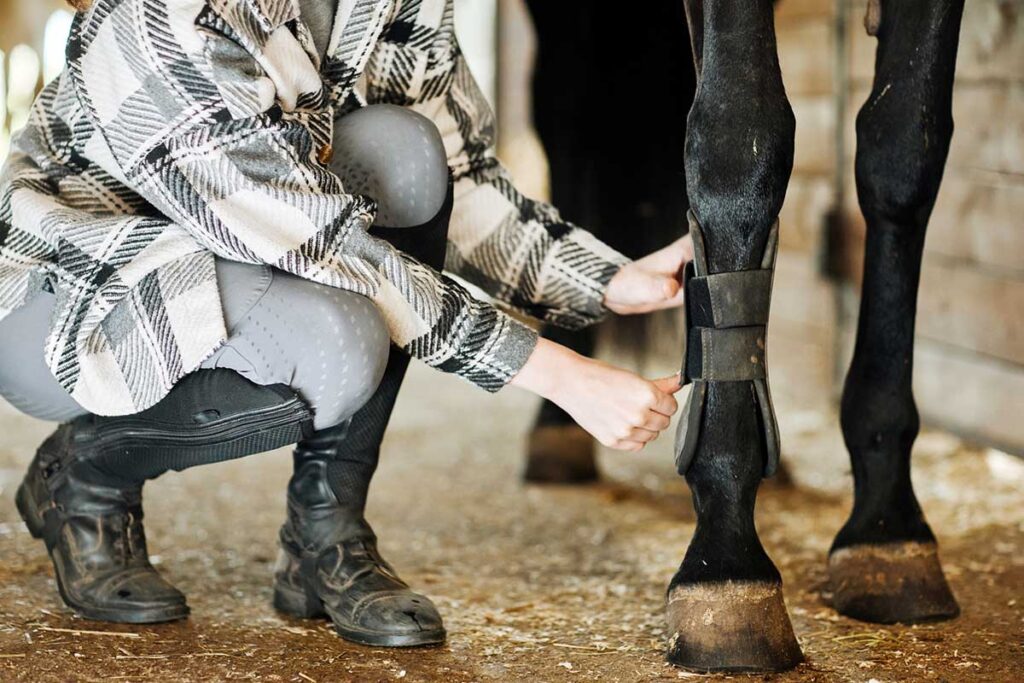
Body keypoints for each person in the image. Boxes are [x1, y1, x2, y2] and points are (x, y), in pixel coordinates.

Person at [0, 0, 692, 647]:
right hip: (82, 289)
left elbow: (459, 170)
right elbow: (328, 248)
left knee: (407, 152)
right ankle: (85, 474)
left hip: (241, 244)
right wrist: (563, 376)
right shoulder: (170, 16)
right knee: (340, 344)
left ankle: (322, 534)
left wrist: (605, 279)